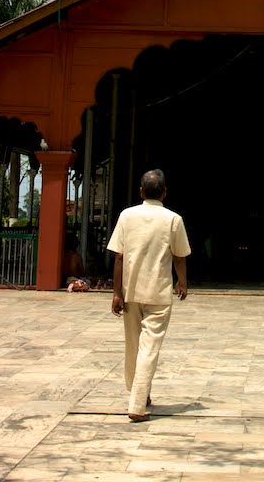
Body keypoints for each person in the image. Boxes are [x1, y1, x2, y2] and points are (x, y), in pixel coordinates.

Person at [107, 168, 191, 422]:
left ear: (141, 191)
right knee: (149, 348)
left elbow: (119, 256)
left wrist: (116, 292)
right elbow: (179, 257)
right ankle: (137, 403)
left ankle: (138, 394)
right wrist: (182, 283)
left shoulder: (126, 216)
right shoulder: (173, 219)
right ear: (164, 193)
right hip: (158, 292)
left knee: (133, 347)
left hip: (131, 292)